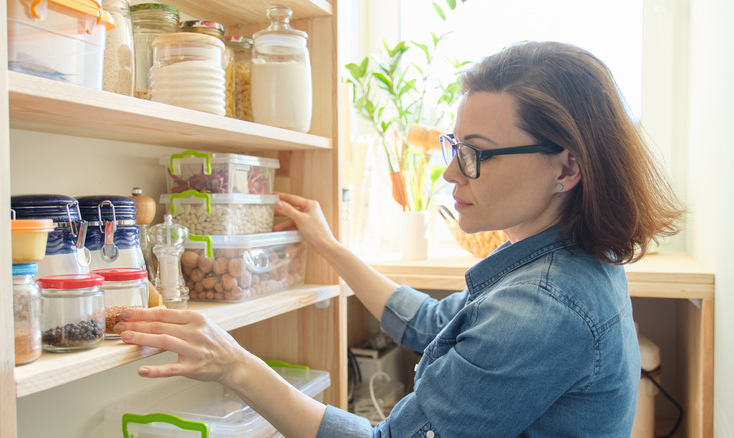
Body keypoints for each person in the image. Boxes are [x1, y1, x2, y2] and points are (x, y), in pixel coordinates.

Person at [115, 41, 685, 437]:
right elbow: (435, 323)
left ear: (567, 169)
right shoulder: (554, 260)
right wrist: (332, 248)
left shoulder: (540, 308)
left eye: (476, 154)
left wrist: (234, 365)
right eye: (452, 146)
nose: (449, 173)